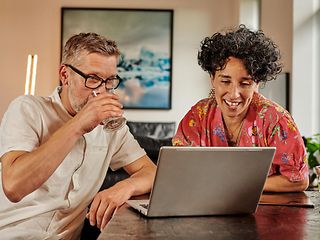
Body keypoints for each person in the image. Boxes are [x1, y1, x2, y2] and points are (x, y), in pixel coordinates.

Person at [0, 33, 156, 239]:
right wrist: (79, 124)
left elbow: (151, 172)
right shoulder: (27, 109)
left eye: (109, 81)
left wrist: (124, 187)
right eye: (92, 79)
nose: (101, 90)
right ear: (65, 75)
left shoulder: (112, 128)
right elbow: (14, 187)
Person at [172, 25, 309, 192]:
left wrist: (238, 186)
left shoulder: (276, 120)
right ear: (212, 79)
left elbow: (298, 180)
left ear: (257, 83)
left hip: (268, 213)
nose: (234, 94)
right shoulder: (197, 116)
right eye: (225, 81)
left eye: (245, 83)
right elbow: (179, 171)